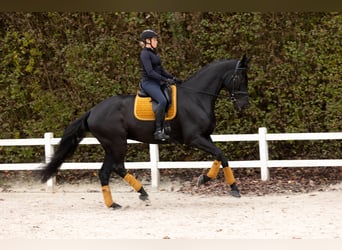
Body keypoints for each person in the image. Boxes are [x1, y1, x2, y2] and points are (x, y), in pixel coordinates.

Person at [139, 29, 181, 141]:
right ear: (147, 41)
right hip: (149, 83)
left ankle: (167, 124)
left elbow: (161, 70)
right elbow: (150, 72)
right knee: (162, 100)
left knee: (171, 96)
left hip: (157, 81)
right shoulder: (145, 54)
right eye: (154, 39)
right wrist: (165, 80)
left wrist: (172, 78)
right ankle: (158, 131)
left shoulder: (154, 54)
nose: (156, 41)